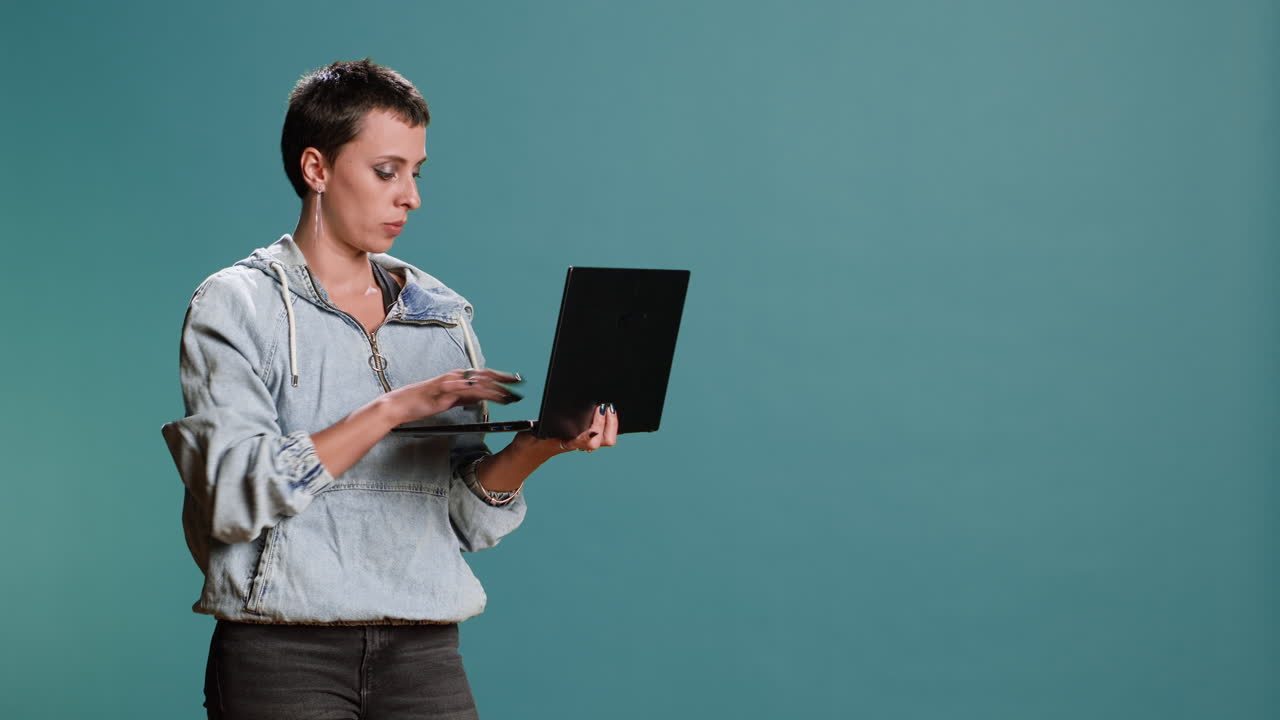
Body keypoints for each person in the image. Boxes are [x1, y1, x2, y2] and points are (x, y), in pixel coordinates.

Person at [161, 58, 619, 720]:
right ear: (316, 169)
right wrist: (392, 409)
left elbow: (460, 517)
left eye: (416, 172)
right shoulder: (237, 306)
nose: (411, 197)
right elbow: (234, 497)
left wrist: (540, 447)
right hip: (282, 651)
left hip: (424, 649)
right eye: (386, 171)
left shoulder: (440, 314)